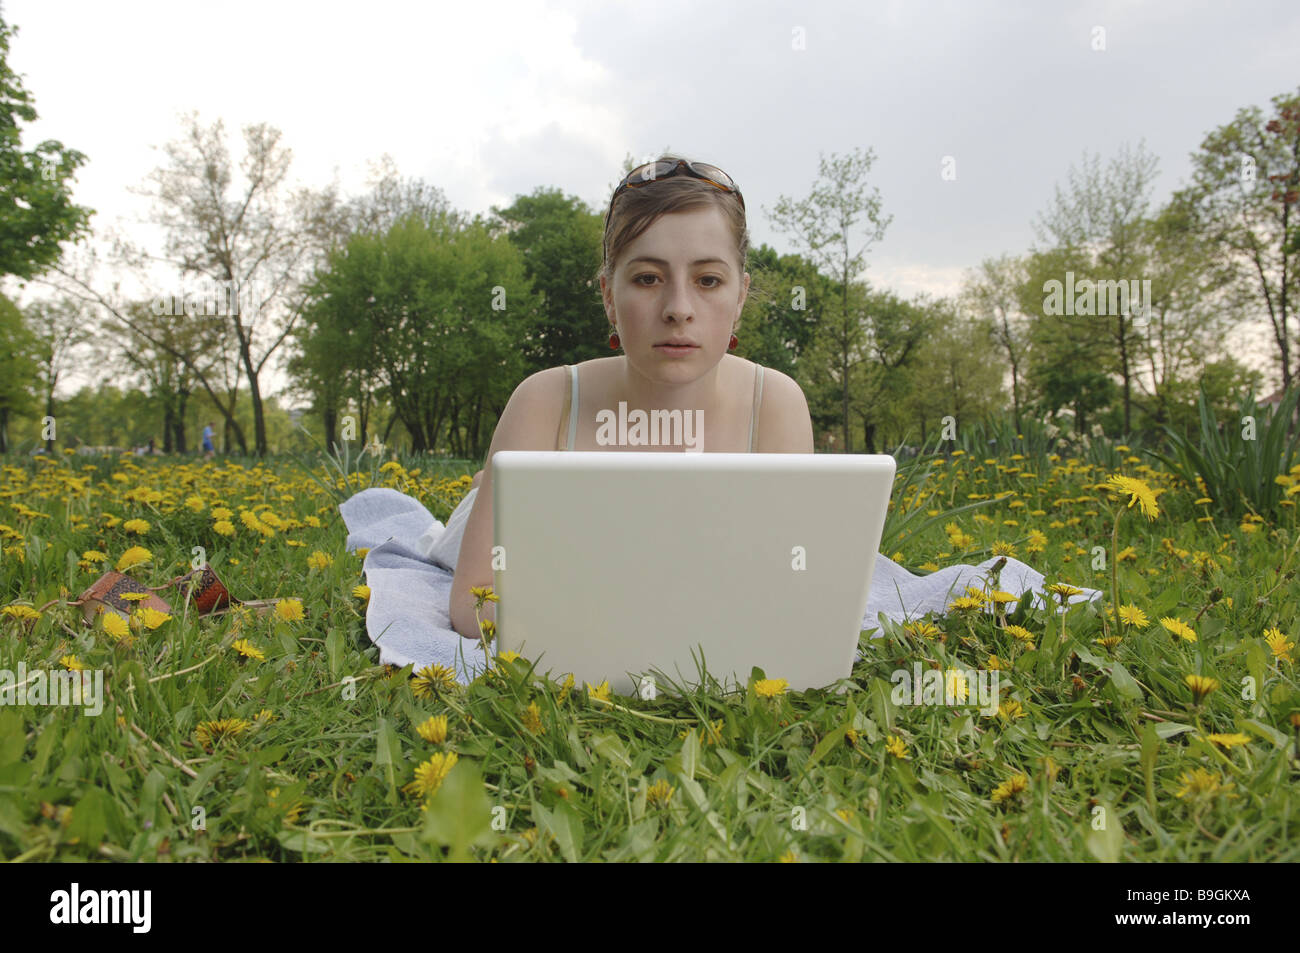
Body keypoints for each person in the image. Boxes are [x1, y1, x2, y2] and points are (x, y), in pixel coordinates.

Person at [449, 155, 814, 642]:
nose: (679, 310)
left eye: (708, 280)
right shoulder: (545, 401)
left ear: (741, 296)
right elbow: (473, 603)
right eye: (647, 278)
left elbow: (796, 590)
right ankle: (481, 492)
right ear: (607, 295)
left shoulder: (776, 404)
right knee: (478, 510)